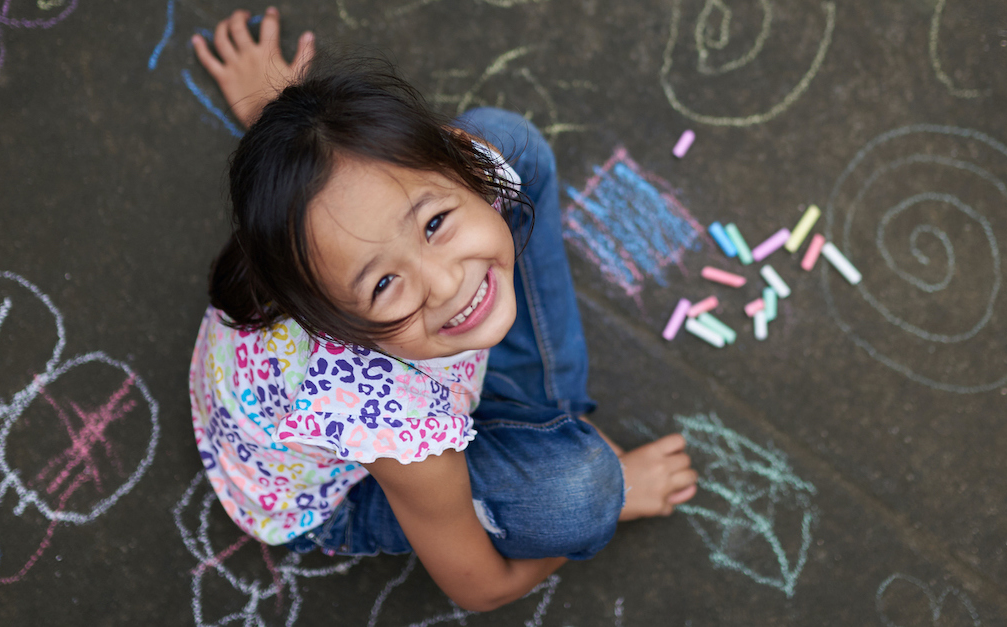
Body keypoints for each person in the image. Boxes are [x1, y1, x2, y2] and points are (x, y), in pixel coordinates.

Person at [187, 7, 698, 612]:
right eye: (384, 285)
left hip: (381, 367)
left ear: (451, 164)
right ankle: (550, 420)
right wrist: (620, 492)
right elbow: (480, 588)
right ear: (334, 322)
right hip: (338, 486)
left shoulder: (337, 235)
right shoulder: (387, 424)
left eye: (434, 223)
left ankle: (526, 411)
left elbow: (362, 198)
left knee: (508, 142)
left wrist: (283, 122)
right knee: (581, 491)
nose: (447, 283)